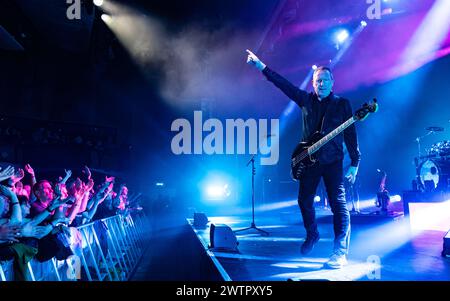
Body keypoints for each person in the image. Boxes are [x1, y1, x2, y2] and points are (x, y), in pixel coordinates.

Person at [246, 50, 360, 269]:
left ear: (332, 82)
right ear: (314, 84)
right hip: (309, 161)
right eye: (318, 81)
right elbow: (284, 84)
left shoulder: (342, 104)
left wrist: (355, 162)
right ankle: (312, 233)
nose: (321, 84)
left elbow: (350, 133)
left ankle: (340, 252)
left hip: (333, 161)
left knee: (339, 205)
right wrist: (261, 66)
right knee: (304, 201)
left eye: (325, 80)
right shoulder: (305, 100)